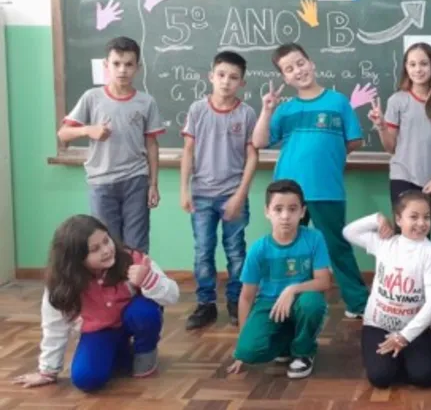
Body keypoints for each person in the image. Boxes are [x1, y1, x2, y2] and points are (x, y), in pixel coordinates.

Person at [251, 43, 368, 319]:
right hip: (288, 192)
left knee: (337, 246)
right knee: (288, 247)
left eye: (300, 63)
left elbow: (354, 141)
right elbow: (259, 141)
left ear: (311, 63)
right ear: (285, 78)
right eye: (289, 69)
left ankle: (358, 303)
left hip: (327, 189)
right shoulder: (285, 109)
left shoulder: (338, 102)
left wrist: (326, 156)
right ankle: (285, 299)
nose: (298, 71)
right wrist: (267, 110)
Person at [11, 215, 179, 392]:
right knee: (86, 379)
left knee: (144, 312)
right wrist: (47, 371)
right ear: (76, 259)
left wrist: (149, 280)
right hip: (100, 330)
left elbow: (173, 295)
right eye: (95, 249)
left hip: (132, 319)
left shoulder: (133, 259)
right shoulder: (62, 284)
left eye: (107, 241)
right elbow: (54, 327)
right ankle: (120, 353)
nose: (106, 250)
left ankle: (145, 354)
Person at [58, 36, 165, 253]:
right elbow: (63, 134)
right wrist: (89, 130)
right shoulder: (92, 97)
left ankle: (134, 288)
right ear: (106, 66)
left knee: (136, 245)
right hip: (102, 183)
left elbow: (152, 145)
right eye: (116, 64)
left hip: (136, 181)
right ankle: (111, 288)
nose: (122, 70)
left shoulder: (146, 102)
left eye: (129, 64)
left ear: (138, 68)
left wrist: (153, 184)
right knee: (106, 245)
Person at [180, 50, 259, 329]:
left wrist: (240, 194)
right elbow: (188, 151)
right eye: (221, 75)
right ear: (211, 76)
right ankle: (206, 304)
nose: (226, 82)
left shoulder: (247, 113)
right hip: (201, 194)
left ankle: (237, 301)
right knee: (203, 250)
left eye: (234, 77)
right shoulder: (197, 110)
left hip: (232, 194)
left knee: (236, 250)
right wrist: (184, 190)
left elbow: (253, 156)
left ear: (242, 83)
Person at [226, 180, 332, 379]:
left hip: (301, 300)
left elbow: (324, 281)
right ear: (267, 212)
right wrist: (242, 342)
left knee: (312, 303)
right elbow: (246, 297)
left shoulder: (314, 238)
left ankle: (303, 351)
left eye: (292, 209)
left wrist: (291, 290)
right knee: (249, 352)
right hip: (269, 305)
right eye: (278, 209)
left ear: (302, 212)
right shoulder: (259, 249)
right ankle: (287, 342)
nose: (285, 216)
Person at [342, 191, 431, 389]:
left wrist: (404, 336)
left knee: (425, 377)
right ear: (398, 219)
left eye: (427, 217)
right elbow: (349, 232)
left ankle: (408, 354)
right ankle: (389, 358)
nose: (421, 223)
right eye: (413, 217)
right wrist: (377, 219)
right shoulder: (385, 243)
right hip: (378, 325)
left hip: (412, 328)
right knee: (380, 378)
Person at [368, 42, 431, 214]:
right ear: (406, 68)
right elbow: (391, 148)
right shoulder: (397, 100)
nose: (418, 69)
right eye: (412, 64)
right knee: (404, 233)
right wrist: (382, 126)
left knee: (423, 233)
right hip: (402, 176)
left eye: (423, 64)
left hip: (430, 181)